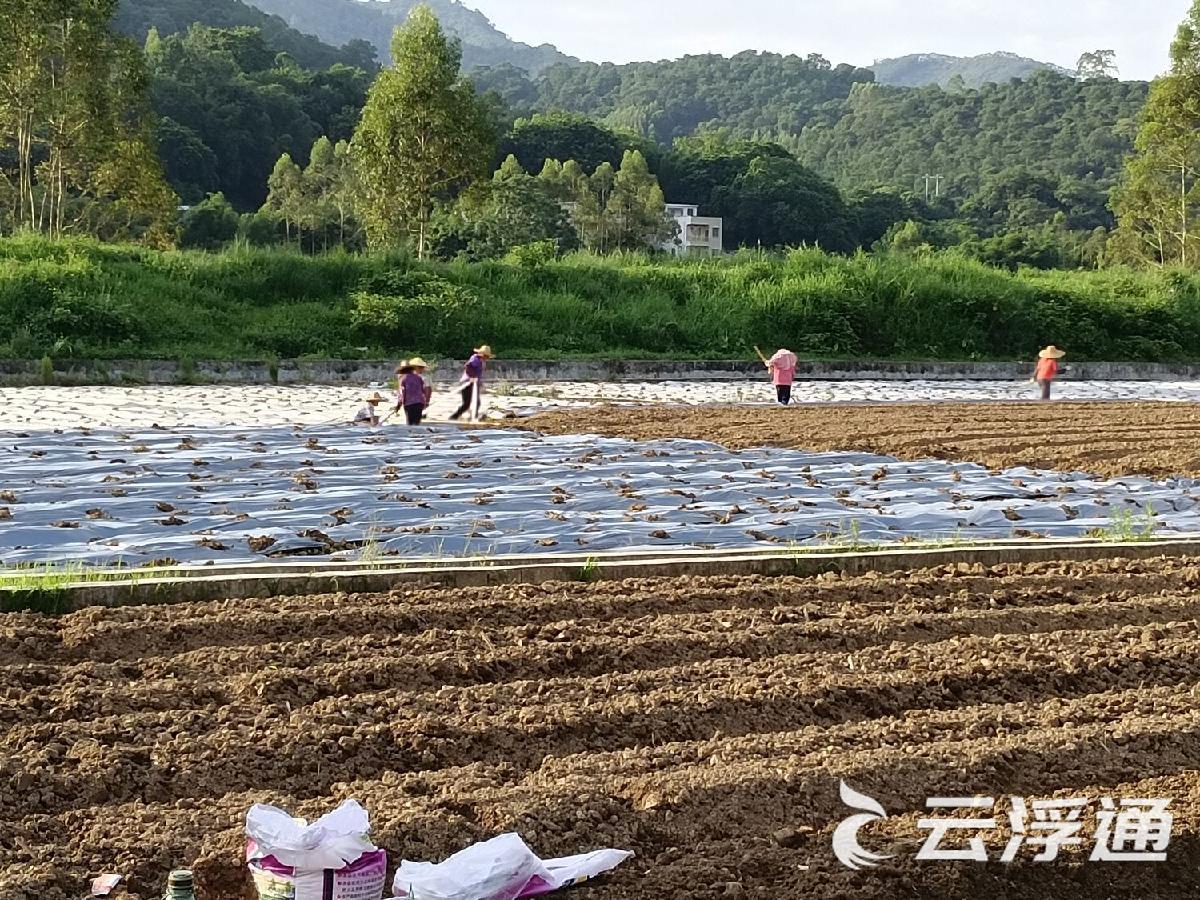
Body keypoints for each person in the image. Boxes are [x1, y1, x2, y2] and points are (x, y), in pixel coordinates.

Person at [448, 345, 493, 422]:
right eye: (485, 356)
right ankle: (454, 417)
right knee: (467, 403)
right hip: (468, 383)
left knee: (476, 402)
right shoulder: (475, 359)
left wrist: (479, 382)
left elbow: (478, 373)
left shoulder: (482, 361)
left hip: (474, 384)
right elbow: (468, 366)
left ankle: (473, 417)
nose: (486, 358)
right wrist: (472, 377)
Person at [396, 357, 432, 425]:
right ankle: (416, 434)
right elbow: (423, 390)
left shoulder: (404, 378)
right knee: (416, 422)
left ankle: (412, 434)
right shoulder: (418, 377)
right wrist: (425, 402)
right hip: (419, 403)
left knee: (410, 423)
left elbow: (402, 392)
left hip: (409, 403)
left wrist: (399, 404)